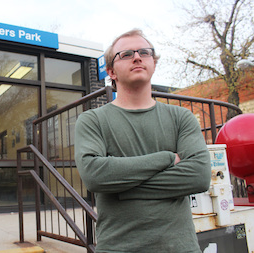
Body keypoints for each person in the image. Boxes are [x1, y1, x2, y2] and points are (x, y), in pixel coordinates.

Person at [74, 29, 211, 253]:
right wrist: (166, 158)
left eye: (144, 52)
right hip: (118, 248)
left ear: (153, 63)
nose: (137, 57)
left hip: (181, 247)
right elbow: (95, 175)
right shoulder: (92, 120)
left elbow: (199, 176)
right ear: (111, 71)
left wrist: (122, 188)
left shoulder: (180, 117)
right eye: (126, 54)